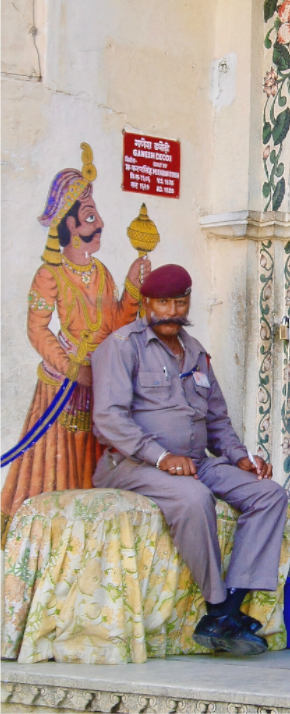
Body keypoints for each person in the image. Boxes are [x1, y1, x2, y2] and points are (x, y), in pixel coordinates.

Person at [91, 264, 289, 656]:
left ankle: (228, 609)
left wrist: (240, 457)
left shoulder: (195, 352)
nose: (172, 310)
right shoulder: (122, 346)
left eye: (180, 301)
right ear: (147, 304)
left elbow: (217, 419)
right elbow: (109, 420)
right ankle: (217, 608)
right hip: (134, 464)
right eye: (163, 302)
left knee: (269, 494)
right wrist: (161, 457)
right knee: (194, 498)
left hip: (197, 459)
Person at [0, 145, 149, 544]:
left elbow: (116, 324)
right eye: (88, 217)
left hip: (99, 384)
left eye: (96, 214)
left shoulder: (101, 272)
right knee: (57, 473)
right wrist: (72, 368)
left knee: (94, 470)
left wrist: (134, 286)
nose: (98, 223)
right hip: (60, 392)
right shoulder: (49, 275)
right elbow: (38, 330)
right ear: (68, 224)